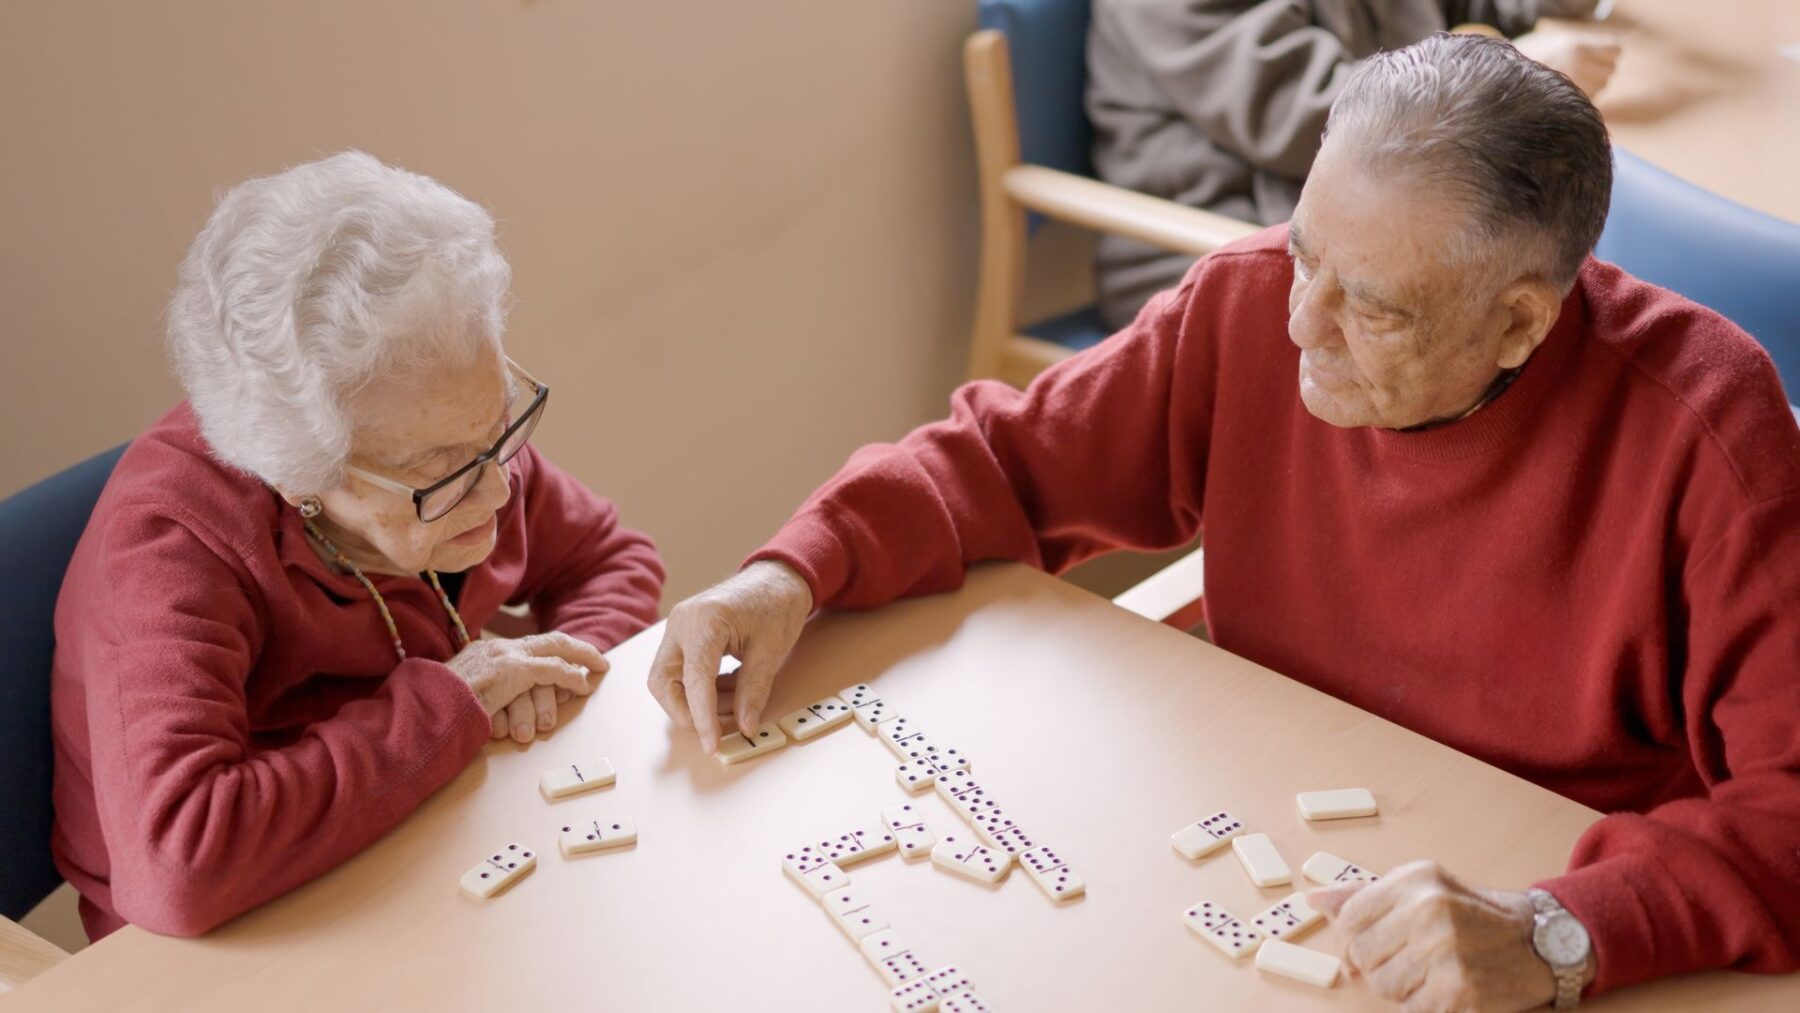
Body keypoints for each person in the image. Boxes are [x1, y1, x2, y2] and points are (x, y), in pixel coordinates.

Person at [650, 35, 1799, 1009]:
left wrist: (1563, 930)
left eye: (1374, 309)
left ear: (1518, 325)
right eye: (1306, 255)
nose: (1302, 323)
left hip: (1536, 907)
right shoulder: (1245, 305)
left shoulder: (1713, 434)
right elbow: (1003, 457)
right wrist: (794, 570)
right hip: (1275, 857)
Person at [50, 151, 664, 940]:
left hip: (421, 827)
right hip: (240, 931)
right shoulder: (170, 546)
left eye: (499, 427)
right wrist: (452, 703)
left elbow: (609, 558)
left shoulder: (452, 432)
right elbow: (181, 863)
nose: (502, 492)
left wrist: (550, 670)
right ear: (300, 474)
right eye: (440, 472)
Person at [1088, 0, 1621, 329]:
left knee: (1549, 297)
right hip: (1227, 249)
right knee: (1519, 310)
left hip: (1370, 224)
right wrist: (1522, 76)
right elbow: (1313, 122)